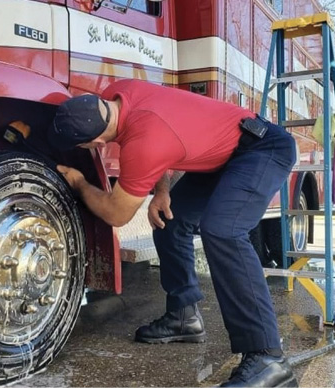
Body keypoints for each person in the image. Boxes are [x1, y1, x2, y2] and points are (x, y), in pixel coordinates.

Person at [51, 79, 297, 387]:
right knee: (170, 220)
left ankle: (267, 358)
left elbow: (116, 213)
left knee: (223, 231)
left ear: (96, 143)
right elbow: (167, 135)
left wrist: (79, 184)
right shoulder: (116, 93)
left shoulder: (143, 145)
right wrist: (161, 192)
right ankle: (184, 317)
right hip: (220, 155)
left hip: (262, 148)